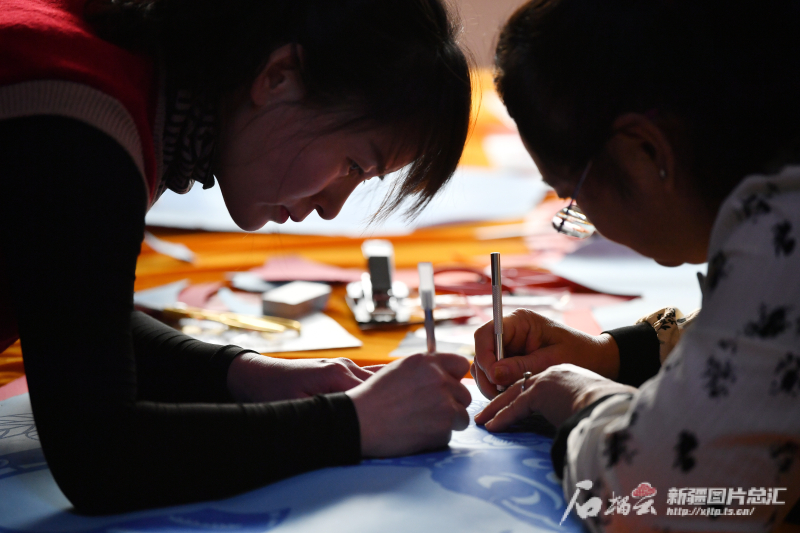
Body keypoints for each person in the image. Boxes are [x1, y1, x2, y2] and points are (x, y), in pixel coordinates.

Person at [0, 0, 473, 514]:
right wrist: (356, 423)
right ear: (279, 77)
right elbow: (99, 457)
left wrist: (245, 375)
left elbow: (67, 310)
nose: (332, 208)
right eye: (354, 166)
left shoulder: (121, 77)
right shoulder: (80, 128)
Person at [471, 0, 800, 530]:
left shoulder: (783, 226)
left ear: (646, 151)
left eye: (572, 194)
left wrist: (580, 395)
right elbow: (765, 342)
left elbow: (653, 497)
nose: (588, 221)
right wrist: (614, 355)